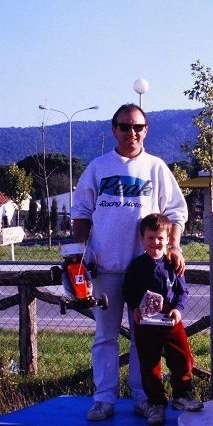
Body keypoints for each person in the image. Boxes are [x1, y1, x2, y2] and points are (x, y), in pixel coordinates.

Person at [72, 103, 188, 421]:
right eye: (125, 126)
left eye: (137, 127)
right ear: (114, 129)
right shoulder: (98, 167)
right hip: (106, 269)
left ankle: (144, 398)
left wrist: (174, 246)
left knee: (144, 340)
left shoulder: (156, 167)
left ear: (146, 130)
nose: (131, 132)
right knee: (105, 337)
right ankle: (103, 399)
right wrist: (78, 256)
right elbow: (81, 213)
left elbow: (176, 212)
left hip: (146, 273)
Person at [123, 214, 203, 424]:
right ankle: (156, 403)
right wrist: (136, 307)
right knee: (149, 364)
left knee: (182, 357)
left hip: (170, 319)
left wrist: (177, 309)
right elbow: (128, 291)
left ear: (168, 239)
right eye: (150, 238)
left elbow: (182, 291)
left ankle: (182, 395)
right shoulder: (136, 266)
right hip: (145, 322)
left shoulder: (172, 263)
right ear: (142, 239)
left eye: (160, 238)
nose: (155, 242)